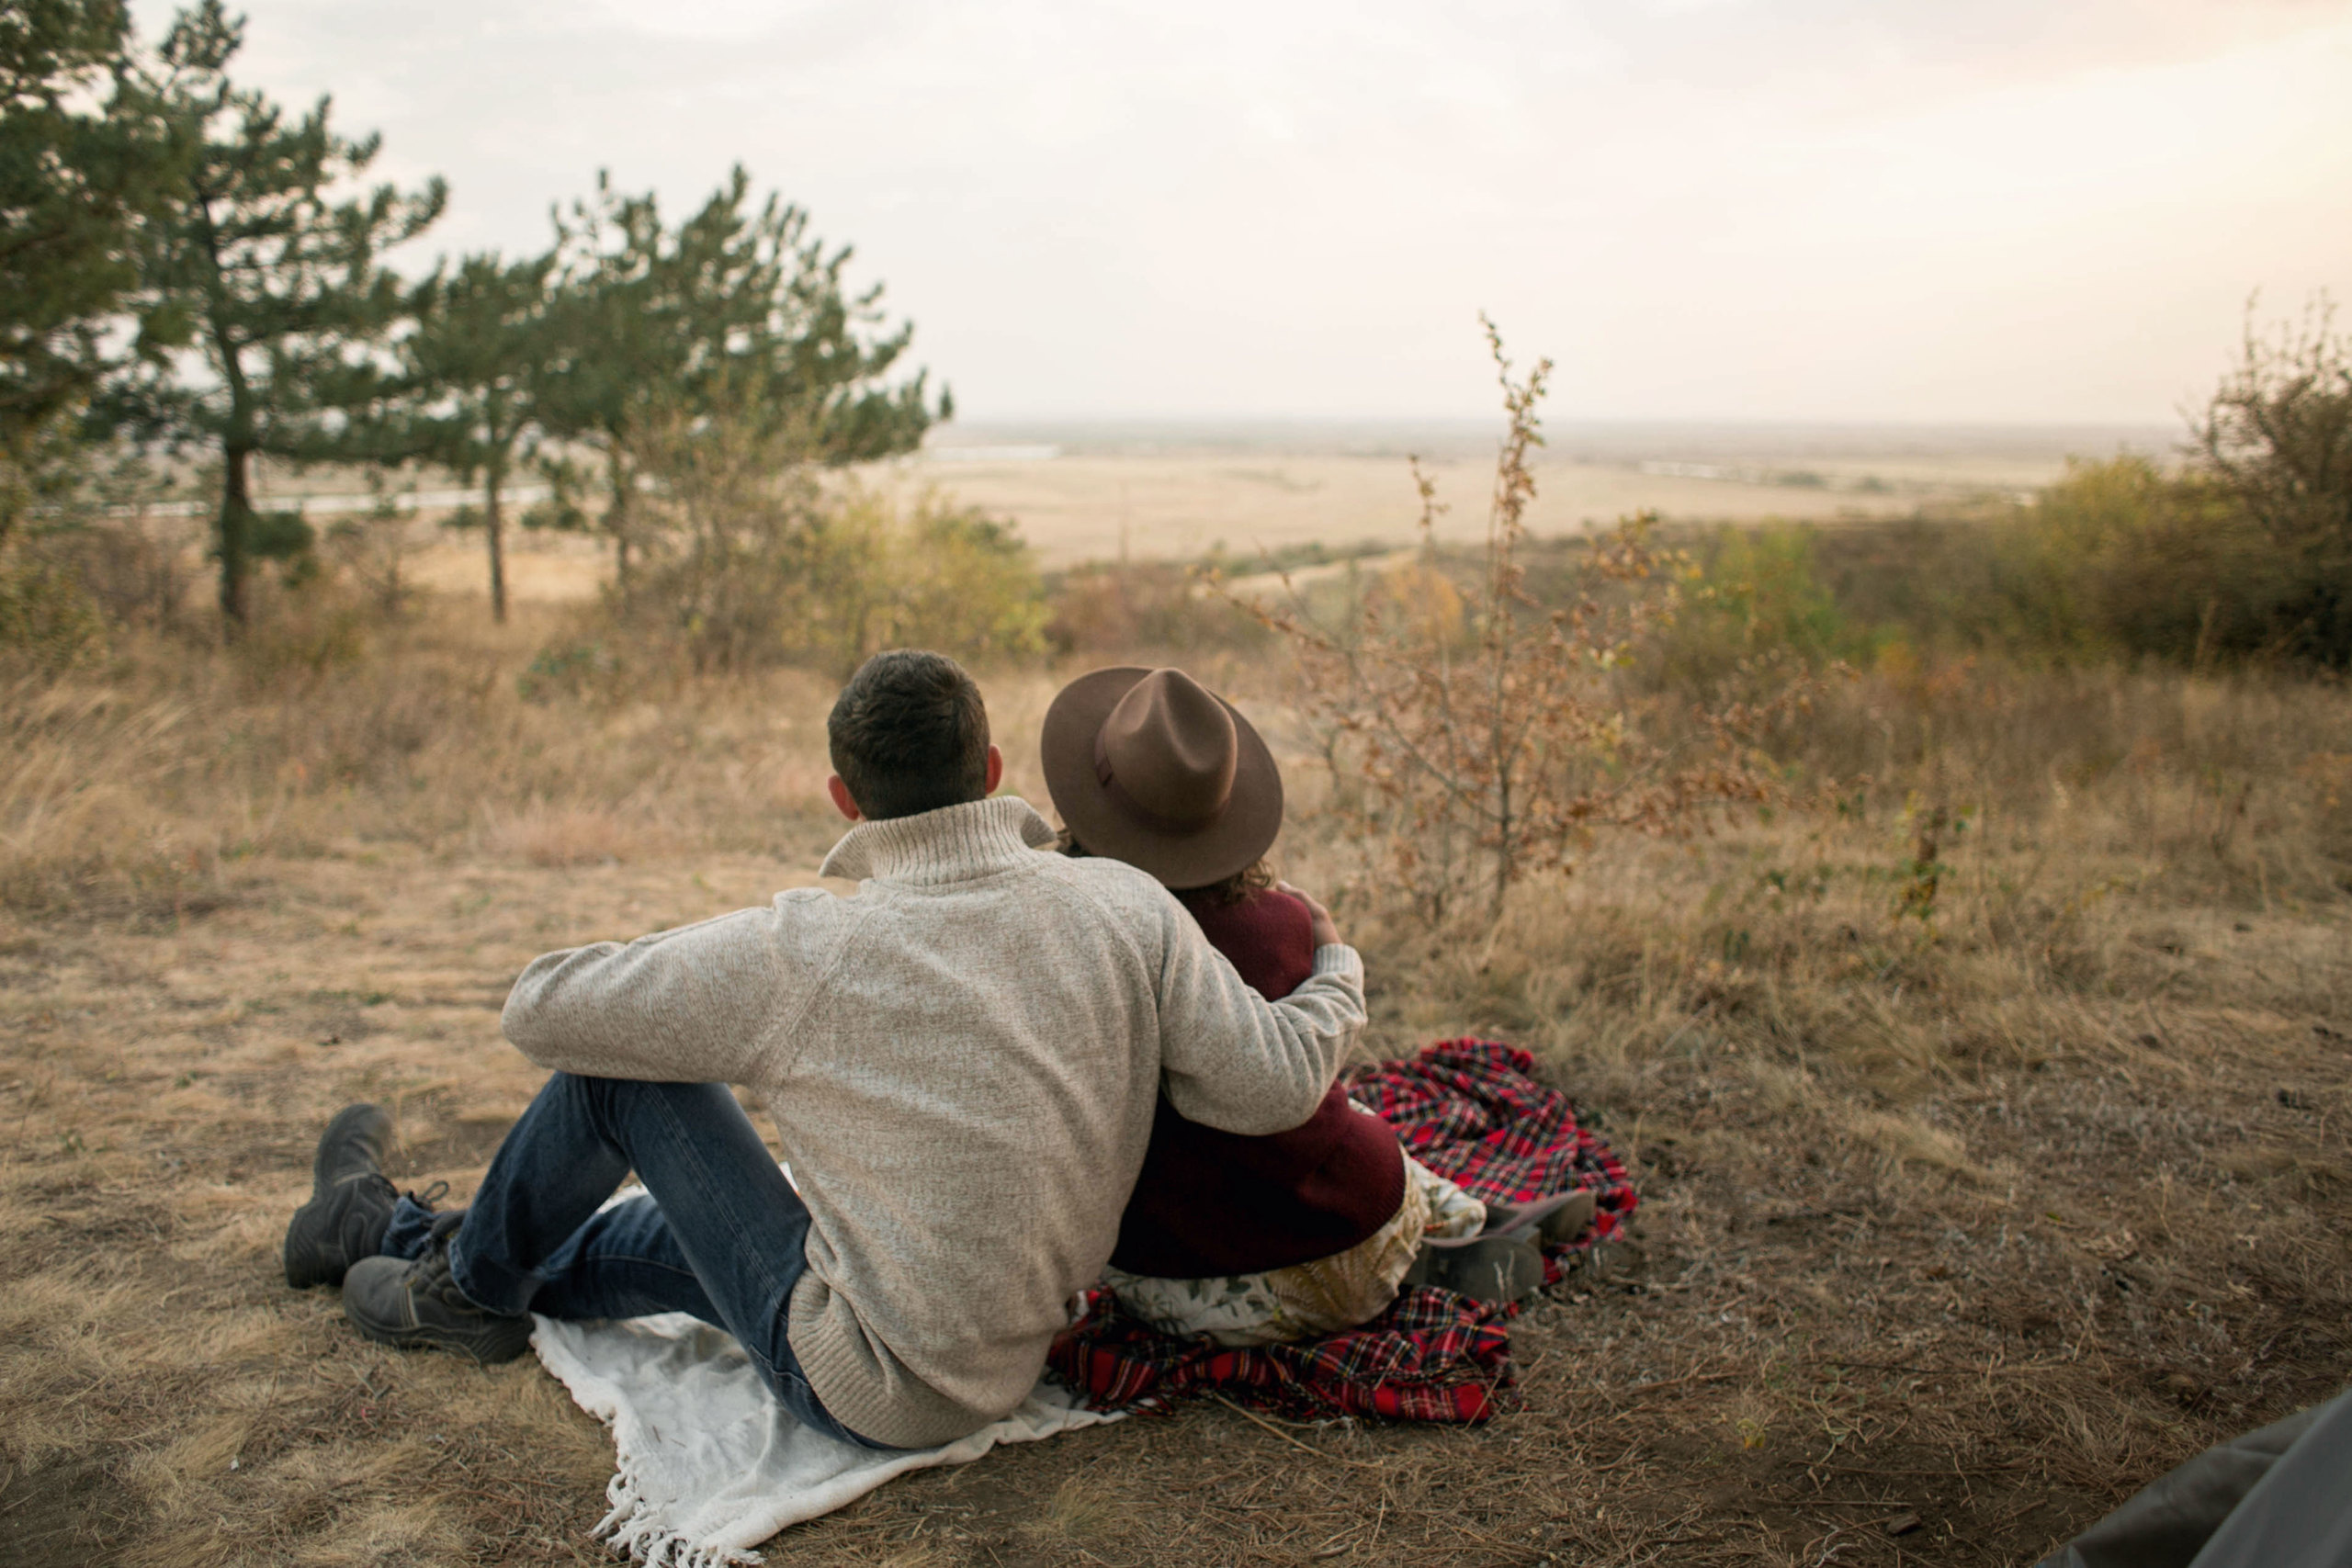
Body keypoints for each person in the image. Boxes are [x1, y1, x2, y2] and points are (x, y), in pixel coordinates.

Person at [278, 649, 1369, 1451]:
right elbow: (1272, 1084)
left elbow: (538, 1008)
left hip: (871, 1377)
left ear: (844, 800)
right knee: (639, 1240)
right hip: (998, 1342)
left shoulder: (807, 948)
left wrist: (687, 966)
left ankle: (465, 1295)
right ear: (991, 766)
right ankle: (381, 1226)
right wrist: (1336, 970)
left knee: (617, 1077)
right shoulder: (1127, 905)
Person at [1039, 666, 1593, 1347]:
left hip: (1186, 1287)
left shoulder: (1075, 942)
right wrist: (1331, 946)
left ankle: (1447, 1237)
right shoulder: (1282, 922)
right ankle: (1452, 1228)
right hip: (1354, 1224)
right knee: (1354, 1124)